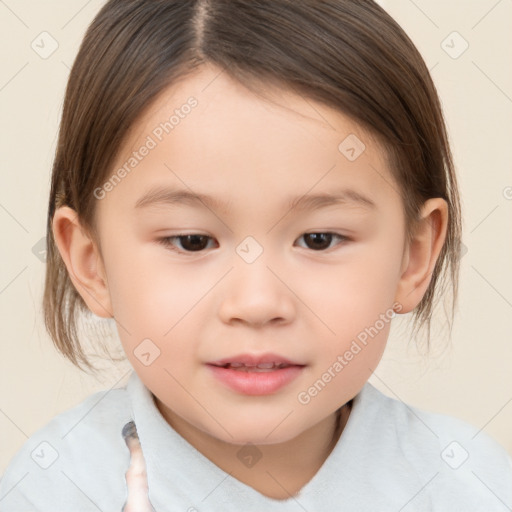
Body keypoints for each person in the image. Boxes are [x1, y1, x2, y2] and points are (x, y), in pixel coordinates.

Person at [1, 0, 511, 510]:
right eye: (192, 241)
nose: (257, 302)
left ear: (413, 256)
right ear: (91, 264)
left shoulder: (470, 486)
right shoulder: (53, 490)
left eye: (319, 239)